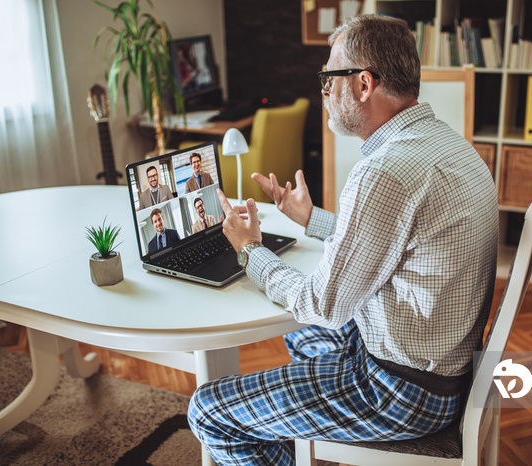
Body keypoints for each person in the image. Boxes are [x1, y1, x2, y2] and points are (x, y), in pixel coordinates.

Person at [188, 14, 498, 466]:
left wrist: (249, 249)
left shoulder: (384, 172)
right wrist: (311, 219)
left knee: (209, 411)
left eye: (328, 78)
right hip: (441, 369)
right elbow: (393, 244)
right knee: (300, 338)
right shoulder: (446, 144)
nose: (324, 92)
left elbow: (323, 304)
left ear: (364, 84)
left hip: (399, 392)